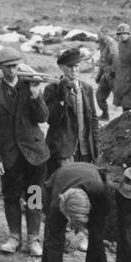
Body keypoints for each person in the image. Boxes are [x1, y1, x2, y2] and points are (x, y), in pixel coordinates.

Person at [0, 47, 49, 255]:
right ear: (0, 68)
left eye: (15, 66)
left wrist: (36, 95)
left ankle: (33, 239)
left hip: (34, 154)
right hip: (9, 156)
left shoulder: (29, 87)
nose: (12, 71)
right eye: (8, 67)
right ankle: (14, 237)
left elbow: (42, 117)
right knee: (10, 197)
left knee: (34, 196)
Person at [39, 160, 110, 262]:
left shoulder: (101, 193)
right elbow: (54, 245)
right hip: (60, 180)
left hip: (92, 181)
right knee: (51, 239)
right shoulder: (57, 205)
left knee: (97, 240)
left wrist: (82, 233)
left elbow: (99, 224)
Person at [44, 46, 99, 176]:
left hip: (85, 149)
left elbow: (93, 119)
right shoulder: (51, 89)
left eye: (77, 66)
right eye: (70, 66)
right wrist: (61, 97)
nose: (74, 70)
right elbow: (51, 120)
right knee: (66, 184)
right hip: (65, 150)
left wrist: (95, 146)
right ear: (62, 67)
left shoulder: (87, 88)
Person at [111, 22, 131, 112]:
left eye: (124, 33)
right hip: (123, 79)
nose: (121, 36)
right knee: (124, 105)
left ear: (128, 34)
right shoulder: (121, 45)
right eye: (119, 34)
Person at [95, 25, 118, 119]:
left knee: (120, 95)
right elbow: (102, 61)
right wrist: (99, 75)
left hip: (113, 74)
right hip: (105, 74)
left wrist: (113, 72)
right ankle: (105, 114)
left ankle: (130, 115)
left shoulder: (111, 43)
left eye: (98, 34)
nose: (97, 36)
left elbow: (115, 58)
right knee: (99, 95)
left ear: (105, 33)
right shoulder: (102, 43)